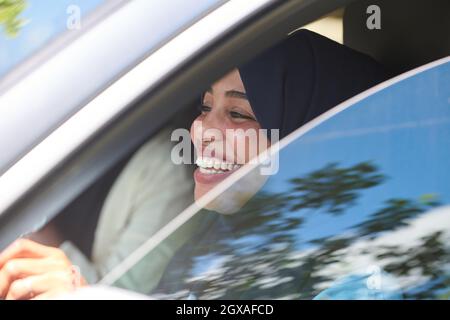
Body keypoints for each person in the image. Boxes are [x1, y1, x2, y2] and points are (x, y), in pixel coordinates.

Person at [0, 30, 388, 299]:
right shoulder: (212, 244)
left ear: (310, 139)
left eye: (238, 113)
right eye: (205, 107)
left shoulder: (360, 274)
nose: (201, 129)